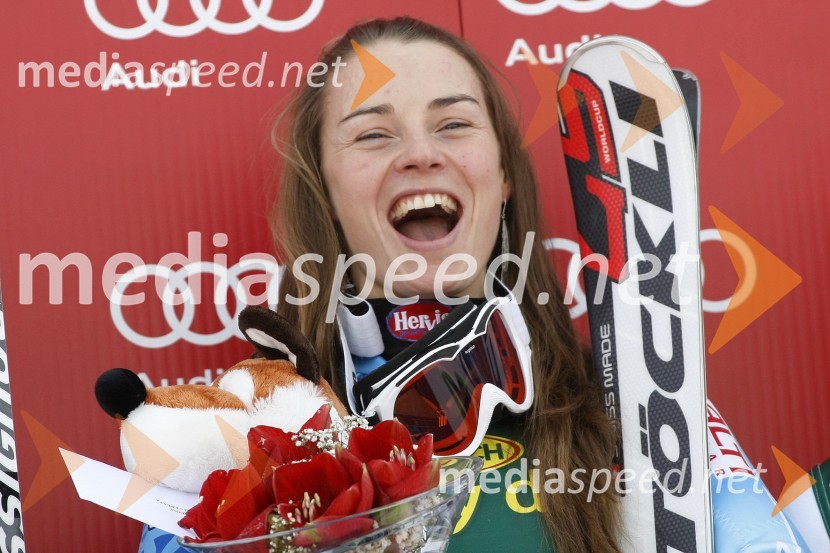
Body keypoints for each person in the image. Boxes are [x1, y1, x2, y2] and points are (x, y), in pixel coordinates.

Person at [272, 16, 620, 553]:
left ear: (503, 175)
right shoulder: (244, 439)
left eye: (454, 124)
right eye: (372, 134)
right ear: (324, 190)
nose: (421, 153)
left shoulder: (634, 406)